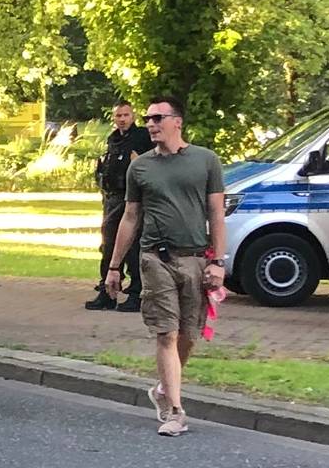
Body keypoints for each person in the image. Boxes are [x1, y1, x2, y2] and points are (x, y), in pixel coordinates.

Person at [104, 97, 226, 435]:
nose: (150, 124)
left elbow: (216, 213)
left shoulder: (206, 160)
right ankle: (175, 411)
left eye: (157, 118)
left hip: (196, 258)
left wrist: (218, 262)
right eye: (148, 118)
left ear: (177, 121)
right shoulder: (140, 167)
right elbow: (130, 217)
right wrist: (114, 267)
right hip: (155, 258)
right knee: (166, 333)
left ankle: (162, 389)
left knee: (189, 334)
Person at [89, 101, 149, 311]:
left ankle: (136, 293)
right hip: (112, 198)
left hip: (132, 199)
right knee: (109, 245)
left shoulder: (142, 137)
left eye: (126, 115)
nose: (122, 119)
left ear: (133, 116)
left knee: (133, 247)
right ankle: (107, 291)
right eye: (118, 116)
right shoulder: (113, 140)